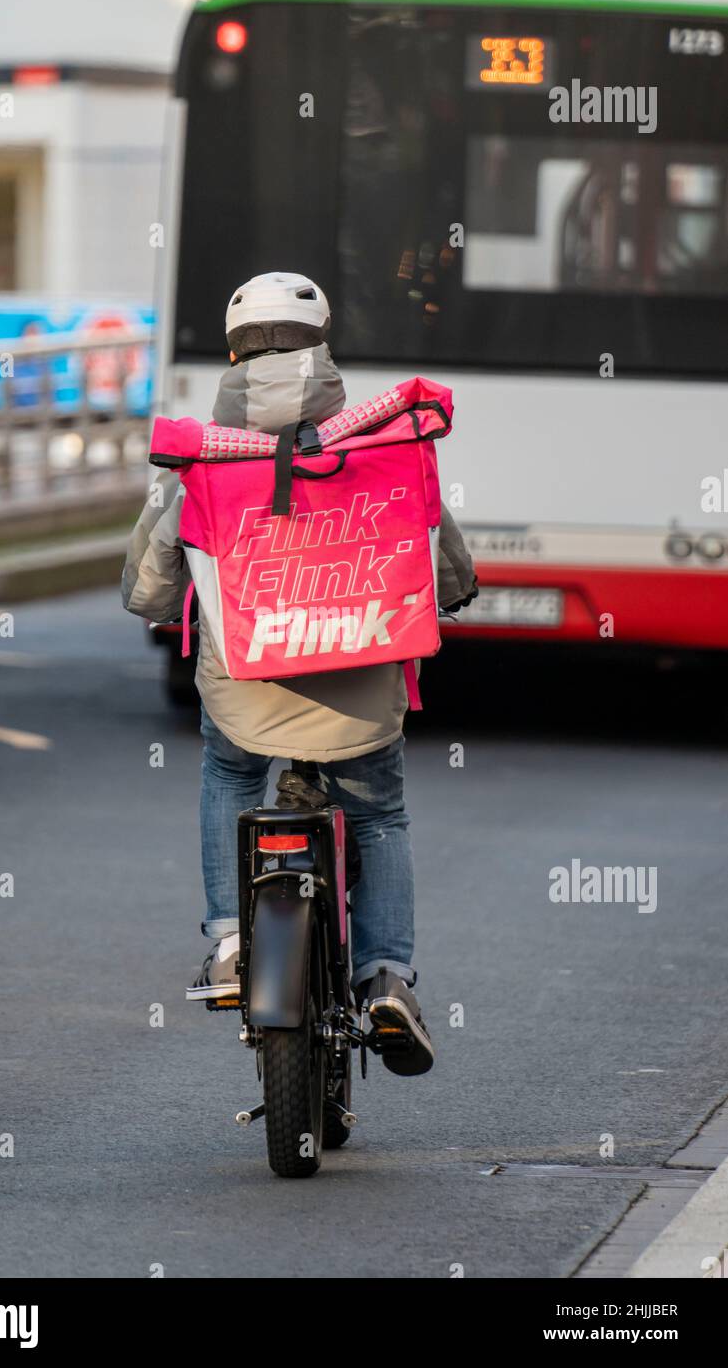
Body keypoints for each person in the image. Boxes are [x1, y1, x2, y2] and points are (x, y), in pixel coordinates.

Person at [122, 271, 477, 1075]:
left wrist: (155, 599)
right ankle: (385, 976)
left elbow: (149, 585)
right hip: (358, 693)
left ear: (232, 357)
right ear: (324, 354)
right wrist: (455, 592)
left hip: (247, 690)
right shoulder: (385, 445)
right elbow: (443, 559)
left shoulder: (206, 460)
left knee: (229, 769)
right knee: (378, 817)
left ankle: (227, 941)